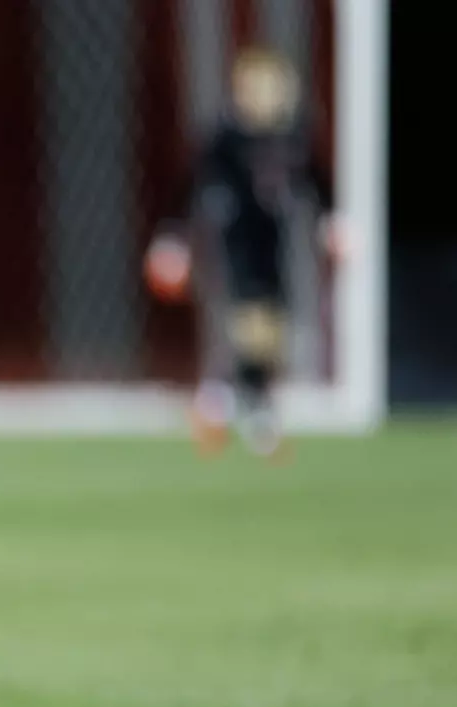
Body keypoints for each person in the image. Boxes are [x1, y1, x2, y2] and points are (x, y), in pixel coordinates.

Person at [146, 47, 337, 461]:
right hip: (233, 243)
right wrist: (171, 239)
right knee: (250, 326)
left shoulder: (294, 135)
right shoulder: (226, 137)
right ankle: (253, 417)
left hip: (275, 245)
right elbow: (187, 186)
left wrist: (331, 222)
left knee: (271, 336)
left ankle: (218, 402)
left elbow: (317, 183)